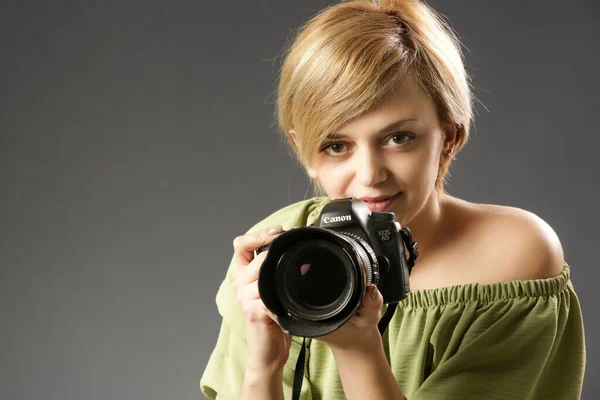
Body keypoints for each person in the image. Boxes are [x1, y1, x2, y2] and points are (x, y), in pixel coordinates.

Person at [200, 0, 586, 398]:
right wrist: (262, 368)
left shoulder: (512, 254)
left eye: (398, 138)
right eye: (336, 145)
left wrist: (357, 349)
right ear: (305, 151)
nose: (370, 175)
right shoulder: (279, 253)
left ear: (449, 138)